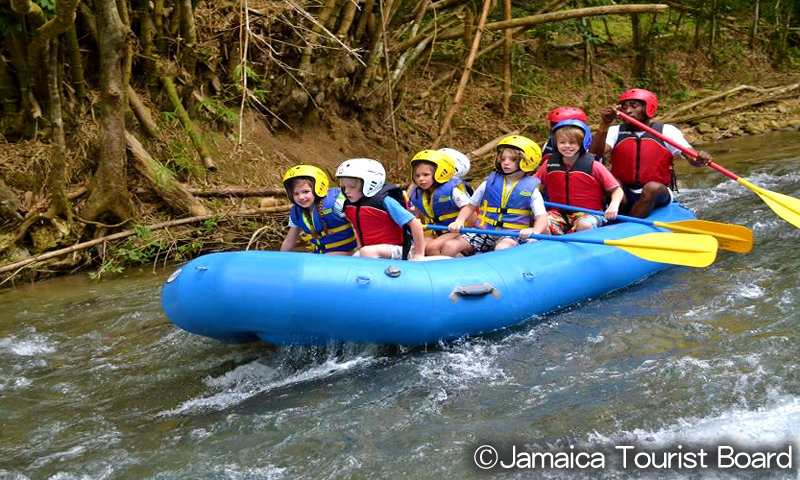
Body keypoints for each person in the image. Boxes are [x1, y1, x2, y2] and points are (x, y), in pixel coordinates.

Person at [590, 88, 712, 218]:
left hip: (657, 194)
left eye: (634, 106)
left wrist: (699, 158)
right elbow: (594, 155)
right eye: (624, 107)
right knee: (610, 181)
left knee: (652, 188)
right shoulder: (615, 131)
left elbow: (692, 159)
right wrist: (604, 124)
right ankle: (618, 216)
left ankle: (631, 225)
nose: (628, 111)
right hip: (623, 193)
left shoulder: (667, 131)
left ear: (648, 108)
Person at [441, 135, 549, 256]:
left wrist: (534, 230)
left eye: (512, 160)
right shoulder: (488, 183)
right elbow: (470, 206)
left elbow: (541, 217)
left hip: (512, 234)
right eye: (503, 159)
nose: (505, 163)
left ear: (527, 162)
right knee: (450, 245)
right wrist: (459, 221)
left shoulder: (532, 190)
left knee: (502, 248)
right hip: (483, 231)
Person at [534, 119, 623, 234]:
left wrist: (613, 206)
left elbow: (617, 190)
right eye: (562, 142)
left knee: (584, 225)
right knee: (542, 222)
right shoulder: (549, 164)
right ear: (555, 143)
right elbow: (534, 185)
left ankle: (577, 241)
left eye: (572, 143)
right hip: (558, 213)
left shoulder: (594, 165)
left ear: (583, 143)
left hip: (590, 213)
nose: (567, 146)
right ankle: (552, 246)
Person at [335, 158, 426, 261]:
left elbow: (415, 224)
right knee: (346, 255)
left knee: (367, 252)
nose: (346, 191)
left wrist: (418, 255)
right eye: (343, 187)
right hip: (370, 251)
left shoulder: (386, 201)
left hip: (400, 250)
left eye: (351, 186)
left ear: (369, 184)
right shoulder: (349, 205)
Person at [407, 149, 473, 255]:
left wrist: (459, 222)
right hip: (434, 231)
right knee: (420, 247)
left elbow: (469, 208)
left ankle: (443, 269)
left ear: (439, 173)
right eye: (418, 176)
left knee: (432, 247)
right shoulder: (417, 194)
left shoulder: (452, 191)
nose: (421, 179)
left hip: (454, 231)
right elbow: (420, 217)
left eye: (426, 175)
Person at [279, 165, 357, 254]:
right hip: (321, 256)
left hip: (349, 253)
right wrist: (280, 260)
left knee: (327, 258)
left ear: (319, 188)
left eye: (306, 192)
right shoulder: (296, 212)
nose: (301, 197)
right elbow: (289, 242)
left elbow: (360, 228)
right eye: (296, 194)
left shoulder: (337, 204)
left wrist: (359, 252)